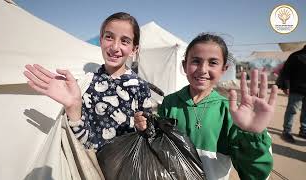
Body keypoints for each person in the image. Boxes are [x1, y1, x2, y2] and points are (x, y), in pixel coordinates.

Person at [135, 33, 278, 180]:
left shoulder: (230, 112)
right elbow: (159, 148)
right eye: (196, 61)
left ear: (224, 69)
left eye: (213, 63)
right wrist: (146, 129)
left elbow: (254, 174)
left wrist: (252, 136)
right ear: (184, 66)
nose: (203, 69)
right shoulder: (170, 103)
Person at [24, 12, 152, 151]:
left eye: (124, 41)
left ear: (134, 49)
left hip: (126, 168)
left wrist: (144, 128)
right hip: (89, 167)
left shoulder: (140, 87)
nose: (115, 47)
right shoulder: (86, 83)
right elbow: (83, 141)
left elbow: (150, 137)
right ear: (101, 40)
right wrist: (73, 108)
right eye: (109, 37)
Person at [277, 45, 306, 143]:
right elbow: (286, 72)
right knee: (292, 110)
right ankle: (286, 132)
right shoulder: (296, 56)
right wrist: (286, 86)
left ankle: (303, 131)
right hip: (296, 89)